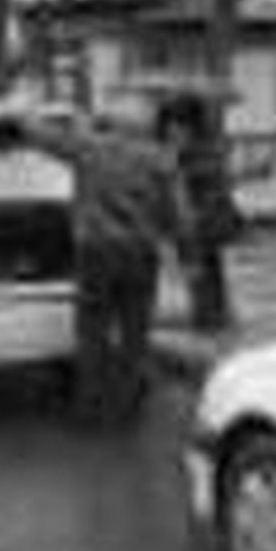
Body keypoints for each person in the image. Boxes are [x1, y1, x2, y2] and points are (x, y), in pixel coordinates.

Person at [29, 104, 180, 427]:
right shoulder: (159, 158)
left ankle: (91, 407)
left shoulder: (90, 147)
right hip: (142, 252)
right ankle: (129, 405)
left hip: (97, 253)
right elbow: (176, 212)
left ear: (112, 125)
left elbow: (39, 136)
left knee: (93, 332)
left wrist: (22, 113)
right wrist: (185, 253)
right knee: (135, 332)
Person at [156, 91, 240, 334]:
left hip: (199, 223)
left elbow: (193, 188)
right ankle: (214, 317)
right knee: (207, 271)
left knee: (201, 272)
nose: (174, 132)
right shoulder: (203, 149)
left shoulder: (197, 154)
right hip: (200, 223)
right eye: (171, 126)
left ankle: (208, 321)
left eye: (178, 126)